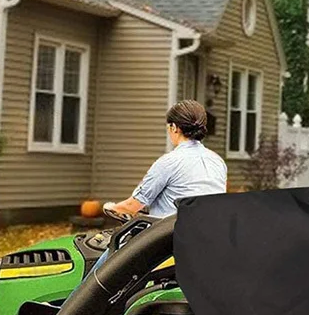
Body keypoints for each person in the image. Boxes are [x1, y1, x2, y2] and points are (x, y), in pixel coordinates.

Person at [90, 100, 226, 270]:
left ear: (174, 128)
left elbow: (132, 206)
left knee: (106, 267)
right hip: (209, 241)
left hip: (166, 242)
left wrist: (110, 207)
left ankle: (81, 296)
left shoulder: (169, 162)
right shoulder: (217, 162)